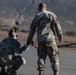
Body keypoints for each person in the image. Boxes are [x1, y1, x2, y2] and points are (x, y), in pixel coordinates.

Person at [26, 3, 63, 75]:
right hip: (50, 39)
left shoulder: (37, 16)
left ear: (39, 8)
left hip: (40, 40)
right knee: (54, 57)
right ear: (46, 8)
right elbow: (57, 26)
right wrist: (60, 36)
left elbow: (32, 29)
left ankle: (41, 72)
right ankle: (56, 72)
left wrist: (29, 40)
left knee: (41, 57)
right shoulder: (51, 14)